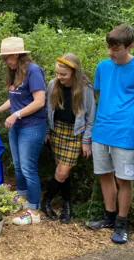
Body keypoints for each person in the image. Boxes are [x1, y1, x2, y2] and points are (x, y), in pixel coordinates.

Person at [85, 24, 134, 244]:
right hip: (101, 131)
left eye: (116, 48)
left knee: (124, 179)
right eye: (108, 47)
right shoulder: (102, 67)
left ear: (130, 46)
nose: (110, 52)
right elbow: (100, 95)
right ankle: (109, 217)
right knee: (105, 175)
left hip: (126, 133)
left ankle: (122, 224)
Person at [0, 37, 46, 225]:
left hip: (32, 127)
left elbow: (39, 101)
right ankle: (21, 202)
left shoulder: (34, 71)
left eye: (7, 57)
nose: (5, 61)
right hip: (17, 126)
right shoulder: (14, 72)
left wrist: (16, 115)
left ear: (17, 55)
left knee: (28, 168)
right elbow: (13, 100)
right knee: (19, 166)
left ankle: (34, 212)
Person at [41, 53, 96, 224]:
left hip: (74, 134)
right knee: (63, 172)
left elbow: (91, 117)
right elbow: (47, 110)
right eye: (57, 73)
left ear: (74, 72)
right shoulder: (52, 85)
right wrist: (47, 131)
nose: (59, 77)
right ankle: (67, 204)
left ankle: (46, 201)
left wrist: (87, 140)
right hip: (57, 131)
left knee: (63, 171)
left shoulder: (85, 89)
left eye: (63, 74)